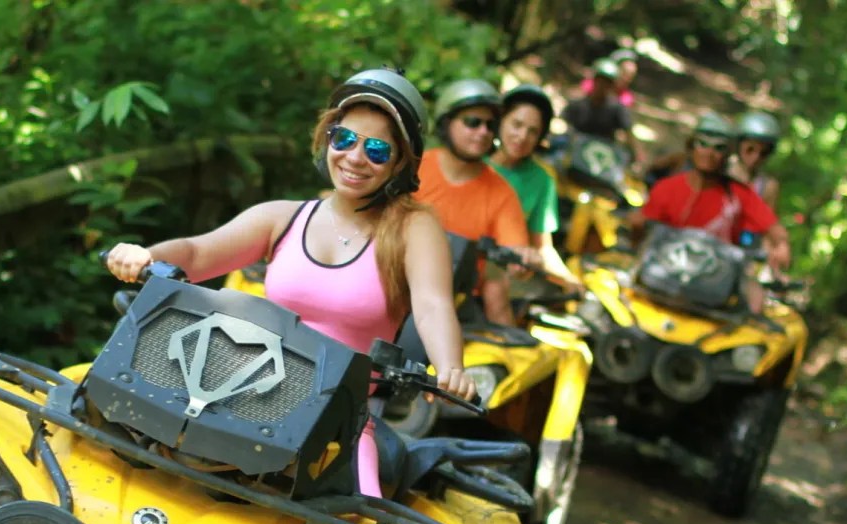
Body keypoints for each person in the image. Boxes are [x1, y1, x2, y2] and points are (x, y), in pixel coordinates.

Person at [104, 69, 473, 499]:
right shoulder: (283, 217)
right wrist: (147, 255)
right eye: (345, 140)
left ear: (399, 162)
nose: (355, 158)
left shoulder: (414, 227)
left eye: (376, 149)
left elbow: (432, 305)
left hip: (336, 425)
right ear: (327, 140)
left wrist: (451, 368)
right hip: (239, 397)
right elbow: (198, 253)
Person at [626, 111, 791, 299]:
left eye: (719, 148)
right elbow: (642, 231)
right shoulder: (667, 188)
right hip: (663, 274)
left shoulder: (740, 195)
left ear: (728, 154)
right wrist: (637, 227)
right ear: (691, 148)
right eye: (703, 144)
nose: (709, 154)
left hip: (713, 284)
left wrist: (781, 244)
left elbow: (771, 225)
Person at [414, 77, 534, 327]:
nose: (483, 132)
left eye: (490, 126)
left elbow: (509, 258)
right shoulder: (414, 168)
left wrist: (522, 259)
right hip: (395, 285)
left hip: (458, 306)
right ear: (447, 123)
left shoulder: (502, 193)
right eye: (472, 122)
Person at [489, 84, 582, 292]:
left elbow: (543, 247)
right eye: (517, 124)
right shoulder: (474, 160)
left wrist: (568, 280)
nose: (522, 136)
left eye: (532, 131)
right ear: (500, 121)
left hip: (504, 277)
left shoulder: (542, 180)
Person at [730, 110, 782, 206]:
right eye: (750, 149)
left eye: (763, 153)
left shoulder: (768, 187)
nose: (756, 157)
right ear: (738, 146)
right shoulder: (719, 172)